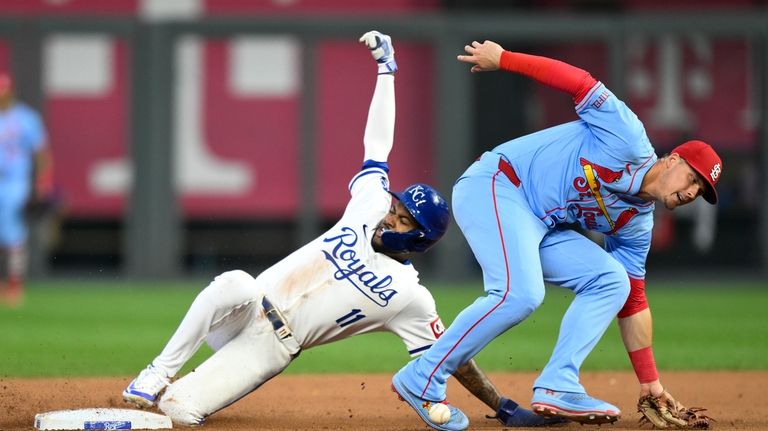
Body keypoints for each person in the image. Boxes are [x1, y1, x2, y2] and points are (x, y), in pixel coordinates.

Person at [122, 32, 564, 429]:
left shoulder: (409, 297)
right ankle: (155, 373)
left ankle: (177, 391)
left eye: (404, 218)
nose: (392, 216)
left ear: (419, 238)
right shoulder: (370, 205)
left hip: (269, 347)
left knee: (179, 410)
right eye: (397, 208)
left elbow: (454, 355)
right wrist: (386, 71)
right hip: (247, 308)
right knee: (235, 283)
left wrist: (502, 405)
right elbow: (378, 144)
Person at [391, 40, 723, 430]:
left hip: (537, 222)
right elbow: (579, 82)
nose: (691, 192)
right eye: (692, 178)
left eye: (700, 191)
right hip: (497, 184)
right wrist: (505, 60)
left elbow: (632, 301)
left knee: (612, 279)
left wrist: (650, 382)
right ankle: (423, 377)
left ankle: (557, 385)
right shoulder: (628, 136)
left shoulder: (637, 222)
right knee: (520, 294)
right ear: (672, 160)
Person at [0, 72, 53, 307]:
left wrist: (42, 182)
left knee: (13, 232)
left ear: (11, 91)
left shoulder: (26, 118)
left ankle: (14, 286)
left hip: (15, 181)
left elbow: (40, 153)